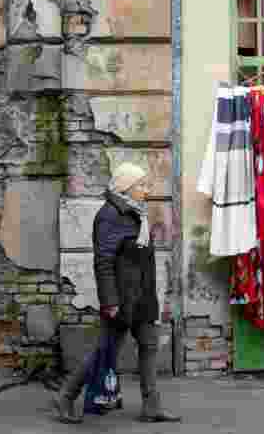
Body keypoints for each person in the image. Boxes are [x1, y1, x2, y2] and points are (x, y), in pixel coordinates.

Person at [54, 162, 182, 424]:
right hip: (123, 298)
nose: (147, 190)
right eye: (142, 186)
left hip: (143, 295)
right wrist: (110, 301)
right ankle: (66, 395)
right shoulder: (110, 215)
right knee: (105, 350)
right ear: (125, 187)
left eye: (147, 185)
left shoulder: (136, 212)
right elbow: (103, 262)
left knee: (148, 345)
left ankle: (151, 406)